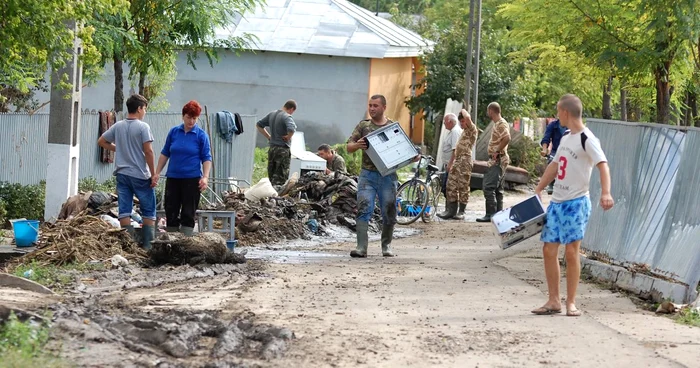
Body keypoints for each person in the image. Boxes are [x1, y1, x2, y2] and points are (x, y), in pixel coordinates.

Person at [532, 94, 614, 317]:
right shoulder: (566, 137)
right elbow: (555, 166)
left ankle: (571, 303)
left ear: (566, 113)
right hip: (557, 202)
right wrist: (539, 188)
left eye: (558, 112)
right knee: (549, 249)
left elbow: (603, 165)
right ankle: (553, 300)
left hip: (576, 203)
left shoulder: (587, 138)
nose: (557, 116)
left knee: (571, 251)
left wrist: (606, 192)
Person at [346, 95, 417, 258]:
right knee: (364, 209)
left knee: (389, 212)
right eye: (370, 105)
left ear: (384, 107)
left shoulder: (393, 127)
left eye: (375, 106)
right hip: (367, 176)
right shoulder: (363, 126)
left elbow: (407, 151)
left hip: (388, 176)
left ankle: (386, 246)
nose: (371, 108)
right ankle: (361, 248)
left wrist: (414, 157)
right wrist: (357, 145)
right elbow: (349, 146)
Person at [97, 94, 157, 249]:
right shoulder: (143, 127)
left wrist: (118, 149)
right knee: (149, 208)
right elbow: (148, 151)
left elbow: (102, 141)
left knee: (124, 209)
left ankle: (128, 246)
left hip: (122, 174)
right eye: (144, 109)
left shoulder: (118, 126)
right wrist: (154, 173)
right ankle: (148, 246)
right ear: (139, 108)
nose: (144, 112)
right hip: (139, 174)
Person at [154, 100, 212, 236]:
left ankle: (186, 239)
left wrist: (205, 177)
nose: (191, 121)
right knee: (171, 209)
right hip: (173, 178)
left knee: (188, 212)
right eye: (188, 117)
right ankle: (172, 239)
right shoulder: (174, 132)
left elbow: (206, 157)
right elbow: (165, 153)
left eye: (194, 118)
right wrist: (157, 172)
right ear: (183, 116)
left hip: (191, 179)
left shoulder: (201, 135)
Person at [438, 109, 478, 220]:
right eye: (460, 121)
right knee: (451, 184)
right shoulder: (463, 131)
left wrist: (463, 110)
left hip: (465, 160)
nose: (461, 124)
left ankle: (461, 211)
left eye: (463, 121)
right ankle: (451, 210)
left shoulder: (472, 130)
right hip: (458, 160)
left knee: (463, 186)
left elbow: (468, 118)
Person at [476, 102, 511, 223]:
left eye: (488, 111)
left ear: (491, 111)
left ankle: (490, 214)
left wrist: (497, 150)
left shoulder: (501, 124)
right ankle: (498, 215)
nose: (487, 113)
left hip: (497, 159)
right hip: (499, 159)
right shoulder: (498, 123)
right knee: (498, 189)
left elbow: (507, 138)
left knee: (489, 187)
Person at [256, 100, 297, 187]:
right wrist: (288, 137)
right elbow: (292, 129)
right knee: (281, 177)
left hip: (272, 149)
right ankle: (277, 197)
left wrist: (268, 136)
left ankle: (270, 195)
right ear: (292, 109)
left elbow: (259, 125)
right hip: (282, 149)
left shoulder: (272, 114)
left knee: (272, 175)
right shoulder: (287, 116)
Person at [540, 118, 569, 194]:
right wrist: (544, 149)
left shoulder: (571, 126)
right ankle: (551, 183)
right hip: (555, 151)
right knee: (551, 161)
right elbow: (546, 138)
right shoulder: (553, 125)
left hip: (568, 151)